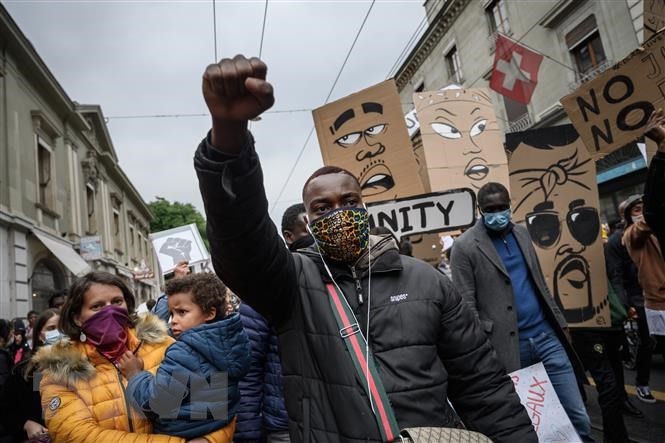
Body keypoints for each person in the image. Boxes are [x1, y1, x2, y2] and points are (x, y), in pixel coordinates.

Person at [194, 55, 536, 442]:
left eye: (349, 202)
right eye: (323, 208)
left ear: (365, 207)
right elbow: (242, 242)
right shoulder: (291, 284)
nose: (339, 213)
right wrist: (228, 138)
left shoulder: (427, 281)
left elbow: (483, 388)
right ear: (308, 220)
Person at [450, 182, 592, 442]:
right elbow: (466, 304)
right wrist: (484, 346)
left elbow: (539, 283)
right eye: (490, 209)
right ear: (480, 210)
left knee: (577, 415)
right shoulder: (465, 246)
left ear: (510, 205)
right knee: (534, 421)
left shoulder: (522, 233)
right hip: (506, 347)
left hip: (546, 337)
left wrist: (561, 323)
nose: (497, 213)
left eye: (502, 207)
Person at [33, 271, 234, 442]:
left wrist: (209, 440)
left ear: (127, 306)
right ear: (77, 318)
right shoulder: (59, 369)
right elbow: (76, 435)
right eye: (97, 306)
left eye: (117, 302)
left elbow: (217, 405)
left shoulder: (165, 346)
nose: (110, 311)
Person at [118, 273, 250, 441]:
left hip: (181, 432)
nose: (173, 320)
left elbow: (156, 403)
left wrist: (135, 374)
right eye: (172, 313)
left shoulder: (184, 353)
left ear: (209, 313)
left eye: (182, 312)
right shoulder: (232, 341)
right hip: (215, 428)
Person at [622, 109, 665, 404]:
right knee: (649, 344)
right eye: (634, 210)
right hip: (657, 303)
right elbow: (652, 216)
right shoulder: (631, 235)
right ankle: (641, 382)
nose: (640, 211)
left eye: (642, 206)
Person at [1, 309, 62, 442]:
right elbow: (6, 409)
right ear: (40, 335)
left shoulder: (82, 368)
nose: (58, 333)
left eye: (63, 327)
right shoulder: (24, 372)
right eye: (51, 328)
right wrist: (26, 424)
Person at [235, 303, 290, 443]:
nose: (172, 321)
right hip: (283, 426)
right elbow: (246, 371)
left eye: (182, 312)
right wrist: (248, 433)